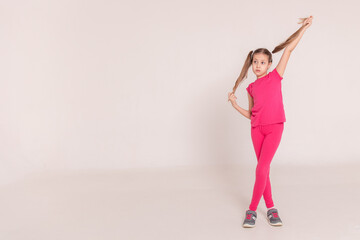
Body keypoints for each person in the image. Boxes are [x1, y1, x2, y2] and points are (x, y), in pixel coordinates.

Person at [227, 16, 313, 228]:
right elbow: (251, 114)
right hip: (256, 130)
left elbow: (289, 50)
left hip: (275, 128)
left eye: (262, 62)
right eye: (255, 62)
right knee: (262, 169)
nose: (258, 65)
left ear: (269, 64)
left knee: (261, 168)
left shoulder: (275, 76)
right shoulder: (251, 88)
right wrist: (234, 105)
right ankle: (272, 208)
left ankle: (252, 210)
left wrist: (303, 28)